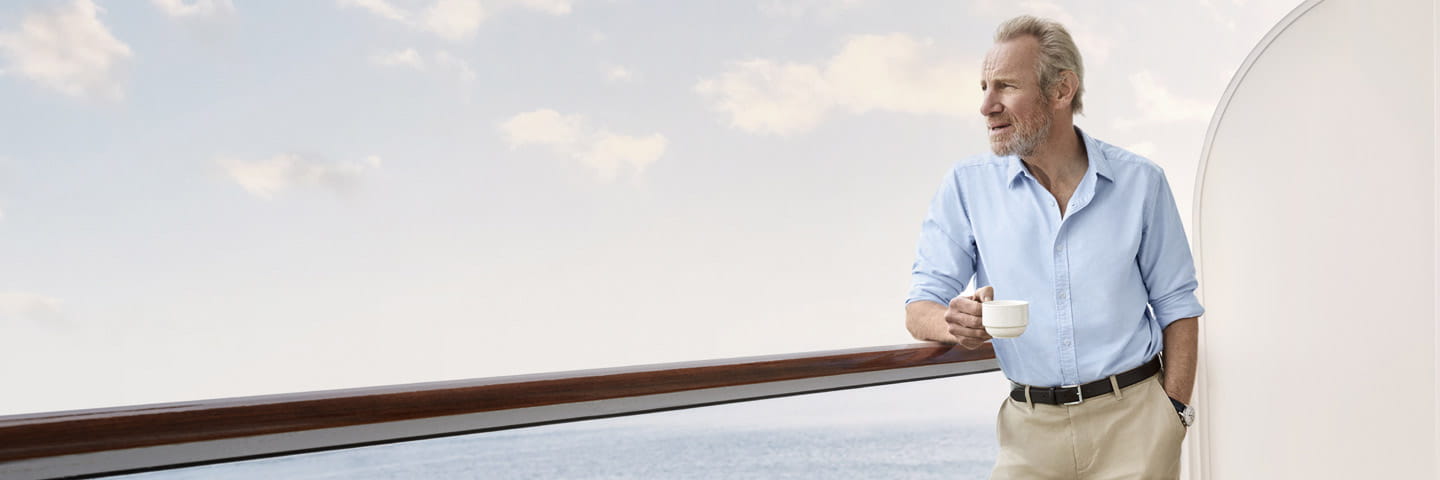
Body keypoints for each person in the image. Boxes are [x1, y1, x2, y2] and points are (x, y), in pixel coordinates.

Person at [904, 15, 1204, 479]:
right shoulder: (966, 187)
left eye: (1005, 86)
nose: (987, 106)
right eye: (983, 87)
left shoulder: (1141, 183)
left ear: (1062, 90)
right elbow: (919, 304)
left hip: (1137, 427)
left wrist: (1174, 412)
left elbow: (1177, 304)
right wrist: (954, 321)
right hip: (1029, 433)